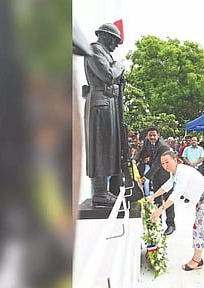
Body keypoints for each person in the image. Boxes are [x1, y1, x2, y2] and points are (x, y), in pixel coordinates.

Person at [148, 151, 204, 271]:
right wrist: (153, 197)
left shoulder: (183, 172)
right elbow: (167, 186)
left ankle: (197, 261)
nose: (165, 166)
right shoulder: (175, 173)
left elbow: (176, 194)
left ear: (175, 160)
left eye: (167, 162)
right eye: (163, 163)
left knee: (199, 228)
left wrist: (160, 210)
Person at [82, 23, 125, 207]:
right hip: (100, 103)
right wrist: (119, 66)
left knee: (108, 147)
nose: (115, 46)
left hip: (108, 103)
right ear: (106, 36)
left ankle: (103, 191)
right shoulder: (94, 50)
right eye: (115, 41)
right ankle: (99, 193)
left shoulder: (105, 53)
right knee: (100, 147)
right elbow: (107, 74)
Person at [136, 127, 176, 235]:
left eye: (154, 135)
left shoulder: (163, 146)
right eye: (150, 135)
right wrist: (134, 161)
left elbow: (158, 164)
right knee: (157, 199)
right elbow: (142, 152)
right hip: (155, 175)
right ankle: (158, 221)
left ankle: (171, 224)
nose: (152, 137)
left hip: (164, 174)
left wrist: (146, 177)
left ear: (158, 135)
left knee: (168, 199)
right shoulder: (147, 142)